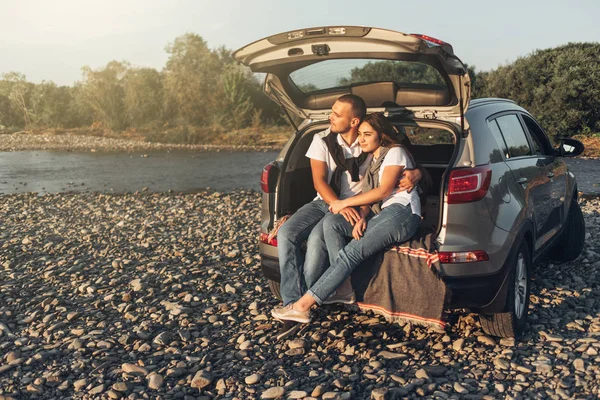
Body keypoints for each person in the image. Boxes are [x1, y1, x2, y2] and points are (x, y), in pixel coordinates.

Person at [272, 112, 422, 323]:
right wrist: (362, 215)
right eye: (360, 134)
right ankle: (342, 289)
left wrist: (343, 203)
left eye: (367, 134)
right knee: (332, 223)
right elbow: (371, 197)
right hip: (383, 212)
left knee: (351, 253)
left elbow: (383, 191)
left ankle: (303, 306)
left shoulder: (395, 151)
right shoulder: (374, 157)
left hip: (402, 213)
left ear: (382, 134)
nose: (361, 139)